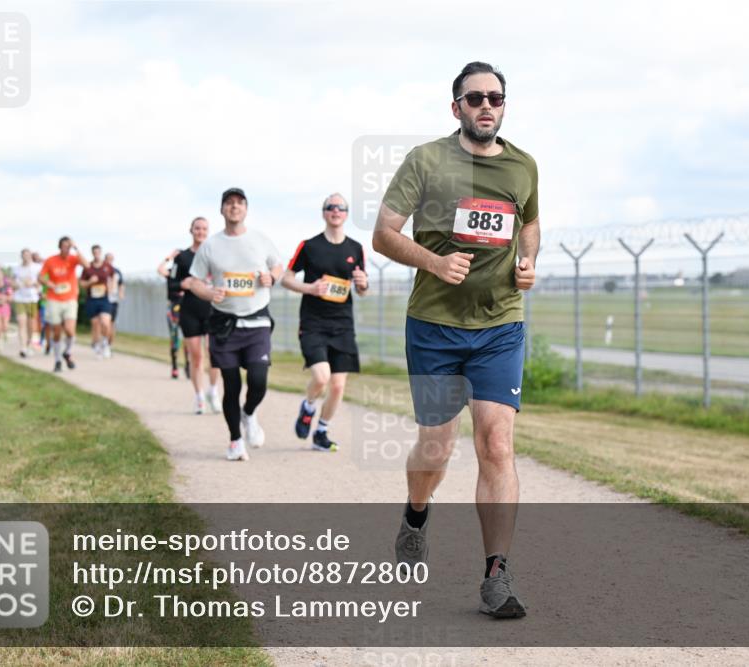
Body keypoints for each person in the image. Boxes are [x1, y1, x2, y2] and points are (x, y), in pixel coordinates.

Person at [372, 62, 540, 619]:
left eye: (495, 98)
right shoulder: (427, 160)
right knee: (437, 445)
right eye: (474, 99)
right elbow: (383, 234)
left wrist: (528, 260)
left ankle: (497, 573)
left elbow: (530, 223)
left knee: (496, 443)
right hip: (436, 326)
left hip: (500, 325)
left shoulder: (523, 166)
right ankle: (416, 513)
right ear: (456, 108)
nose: (485, 106)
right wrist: (435, 261)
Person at [182, 188, 283, 462]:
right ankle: (235, 441)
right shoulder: (210, 245)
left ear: (246, 209)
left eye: (239, 203)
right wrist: (208, 292)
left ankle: (249, 414)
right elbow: (194, 281)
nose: (234, 207)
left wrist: (271, 279)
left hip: (257, 320)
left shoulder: (260, 240)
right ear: (222, 210)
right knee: (231, 384)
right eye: (229, 203)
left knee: (259, 380)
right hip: (224, 324)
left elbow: (278, 266)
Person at [282, 193, 368, 452]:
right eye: (331, 207)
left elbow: (362, 287)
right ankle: (308, 406)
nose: (336, 211)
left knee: (338, 385)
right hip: (313, 322)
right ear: (324, 212)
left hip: (342, 323)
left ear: (346, 214)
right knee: (321, 378)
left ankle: (321, 431)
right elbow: (286, 278)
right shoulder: (309, 246)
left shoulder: (355, 248)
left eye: (340, 207)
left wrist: (363, 285)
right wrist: (310, 288)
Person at [158, 218, 222, 409]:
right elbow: (171, 283)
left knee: (215, 354)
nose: (200, 232)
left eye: (204, 229)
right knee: (197, 357)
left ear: (208, 231)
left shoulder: (215, 255)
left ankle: (213, 391)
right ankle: (199, 396)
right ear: (191, 230)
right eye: (197, 228)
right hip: (190, 310)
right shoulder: (182, 257)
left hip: (212, 310)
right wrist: (182, 284)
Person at [39, 237, 90, 372]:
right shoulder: (51, 260)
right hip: (54, 299)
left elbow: (87, 265)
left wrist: (76, 248)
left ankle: (67, 352)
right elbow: (41, 277)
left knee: (70, 330)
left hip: (70, 299)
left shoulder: (73, 258)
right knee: (57, 332)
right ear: (60, 247)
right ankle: (57, 360)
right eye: (65, 246)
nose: (67, 248)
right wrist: (48, 283)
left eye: (69, 246)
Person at [80, 245, 115, 359]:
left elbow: (113, 276)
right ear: (92, 253)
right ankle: (98, 346)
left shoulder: (107, 266)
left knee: (106, 322)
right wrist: (90, 282)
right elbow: (82, 283)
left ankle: (106, 344)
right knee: (95, 324)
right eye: (94, 252)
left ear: (100, 253)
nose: (96, 254)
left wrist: (112, 289)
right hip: (92, 299)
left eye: (98, 252)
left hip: (104, 298)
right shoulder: (88, 267)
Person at [13, 249, 42, 358]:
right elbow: (12, 282)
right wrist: (17, 284)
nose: (26, 257)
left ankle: (29, 344)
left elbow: (41, 281)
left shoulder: (36, 268)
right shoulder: (16, 269)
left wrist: (34, 283)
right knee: (21, 323)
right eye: (24, 255)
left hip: (32, 298)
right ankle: (23, 347)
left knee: (30, 324)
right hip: (20, 298)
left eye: (28, 255)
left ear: (30, 256)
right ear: (21, 256)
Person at [105, 252, 125, 345]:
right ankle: (104, 342)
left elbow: (121, 284)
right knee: (105, 322)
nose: (110, 261)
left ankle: (110, 344)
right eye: (108, 258)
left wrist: (121, 294)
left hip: (114, 300)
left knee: (112, 323)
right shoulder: (103, 270)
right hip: (104, 300)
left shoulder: (117, 271)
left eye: (111, 259)